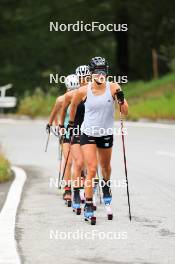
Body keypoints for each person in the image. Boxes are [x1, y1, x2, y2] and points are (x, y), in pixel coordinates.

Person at [68, 57, 128, 221]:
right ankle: (88, 203)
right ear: (91, 73)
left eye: (103, 72)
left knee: (105, 167)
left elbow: (125, 111)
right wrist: (72, 124)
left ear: (106, 72)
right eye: (96, 72)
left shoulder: (114, 87)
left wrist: (121, 99)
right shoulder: (83, 91)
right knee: (92, 169)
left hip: (106, 133)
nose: (100, 75)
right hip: (88, 133)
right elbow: (73, 106)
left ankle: (106, 186)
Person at [59, 65, 90, 212]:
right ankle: (71, 190)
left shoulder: (94, 91)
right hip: (75, 130)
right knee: (74, 162)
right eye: (81, 78)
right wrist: (62, 125)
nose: (84, 80)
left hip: (92, 130)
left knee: (89, 163)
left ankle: (89, 191)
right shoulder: (70, 95)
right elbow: (64, 110)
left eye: (87, 77)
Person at [46, 74, 79, 201]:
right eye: (71, 89)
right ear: (67, 88)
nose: (73, 92)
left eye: (75, 89)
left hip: (79, 132)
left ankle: (82, 183)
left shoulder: (82, 98)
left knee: (80, 161)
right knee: (68, 161)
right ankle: (67, 189)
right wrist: (51, 125)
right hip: (65, 133)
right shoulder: (61, 100)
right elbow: (53, 114)